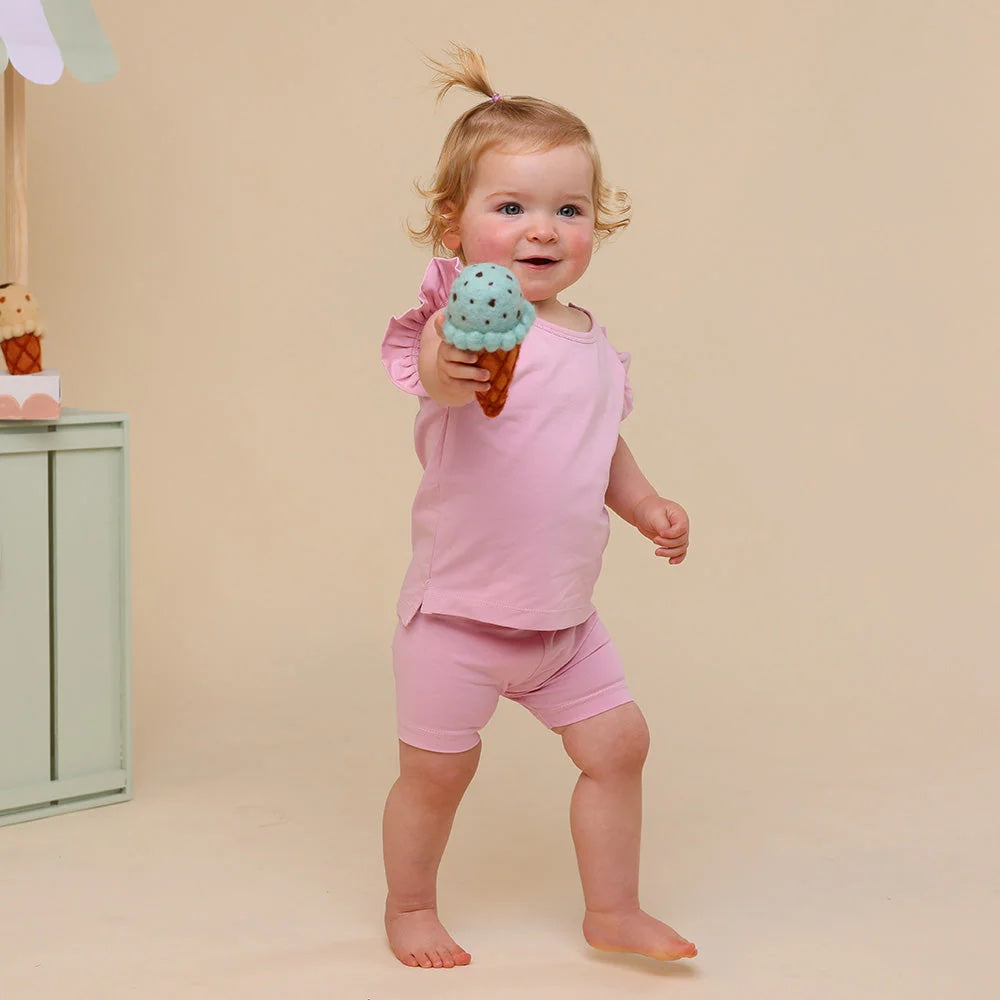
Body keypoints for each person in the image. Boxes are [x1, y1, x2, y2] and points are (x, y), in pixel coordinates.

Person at [380, 44, 696, 970]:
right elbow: (439, 380)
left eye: (568, 209)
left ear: (598, 223)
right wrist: (457, 357)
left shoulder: (593, 343)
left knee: (621, 747)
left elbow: (598, 442)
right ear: (454, 225)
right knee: (437, 775)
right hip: (460, 619)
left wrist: (643, 504)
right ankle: (407, 906)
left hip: (562, 619)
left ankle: (614, 907)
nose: (541, 230)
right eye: (509, 208)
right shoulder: (463, 325)